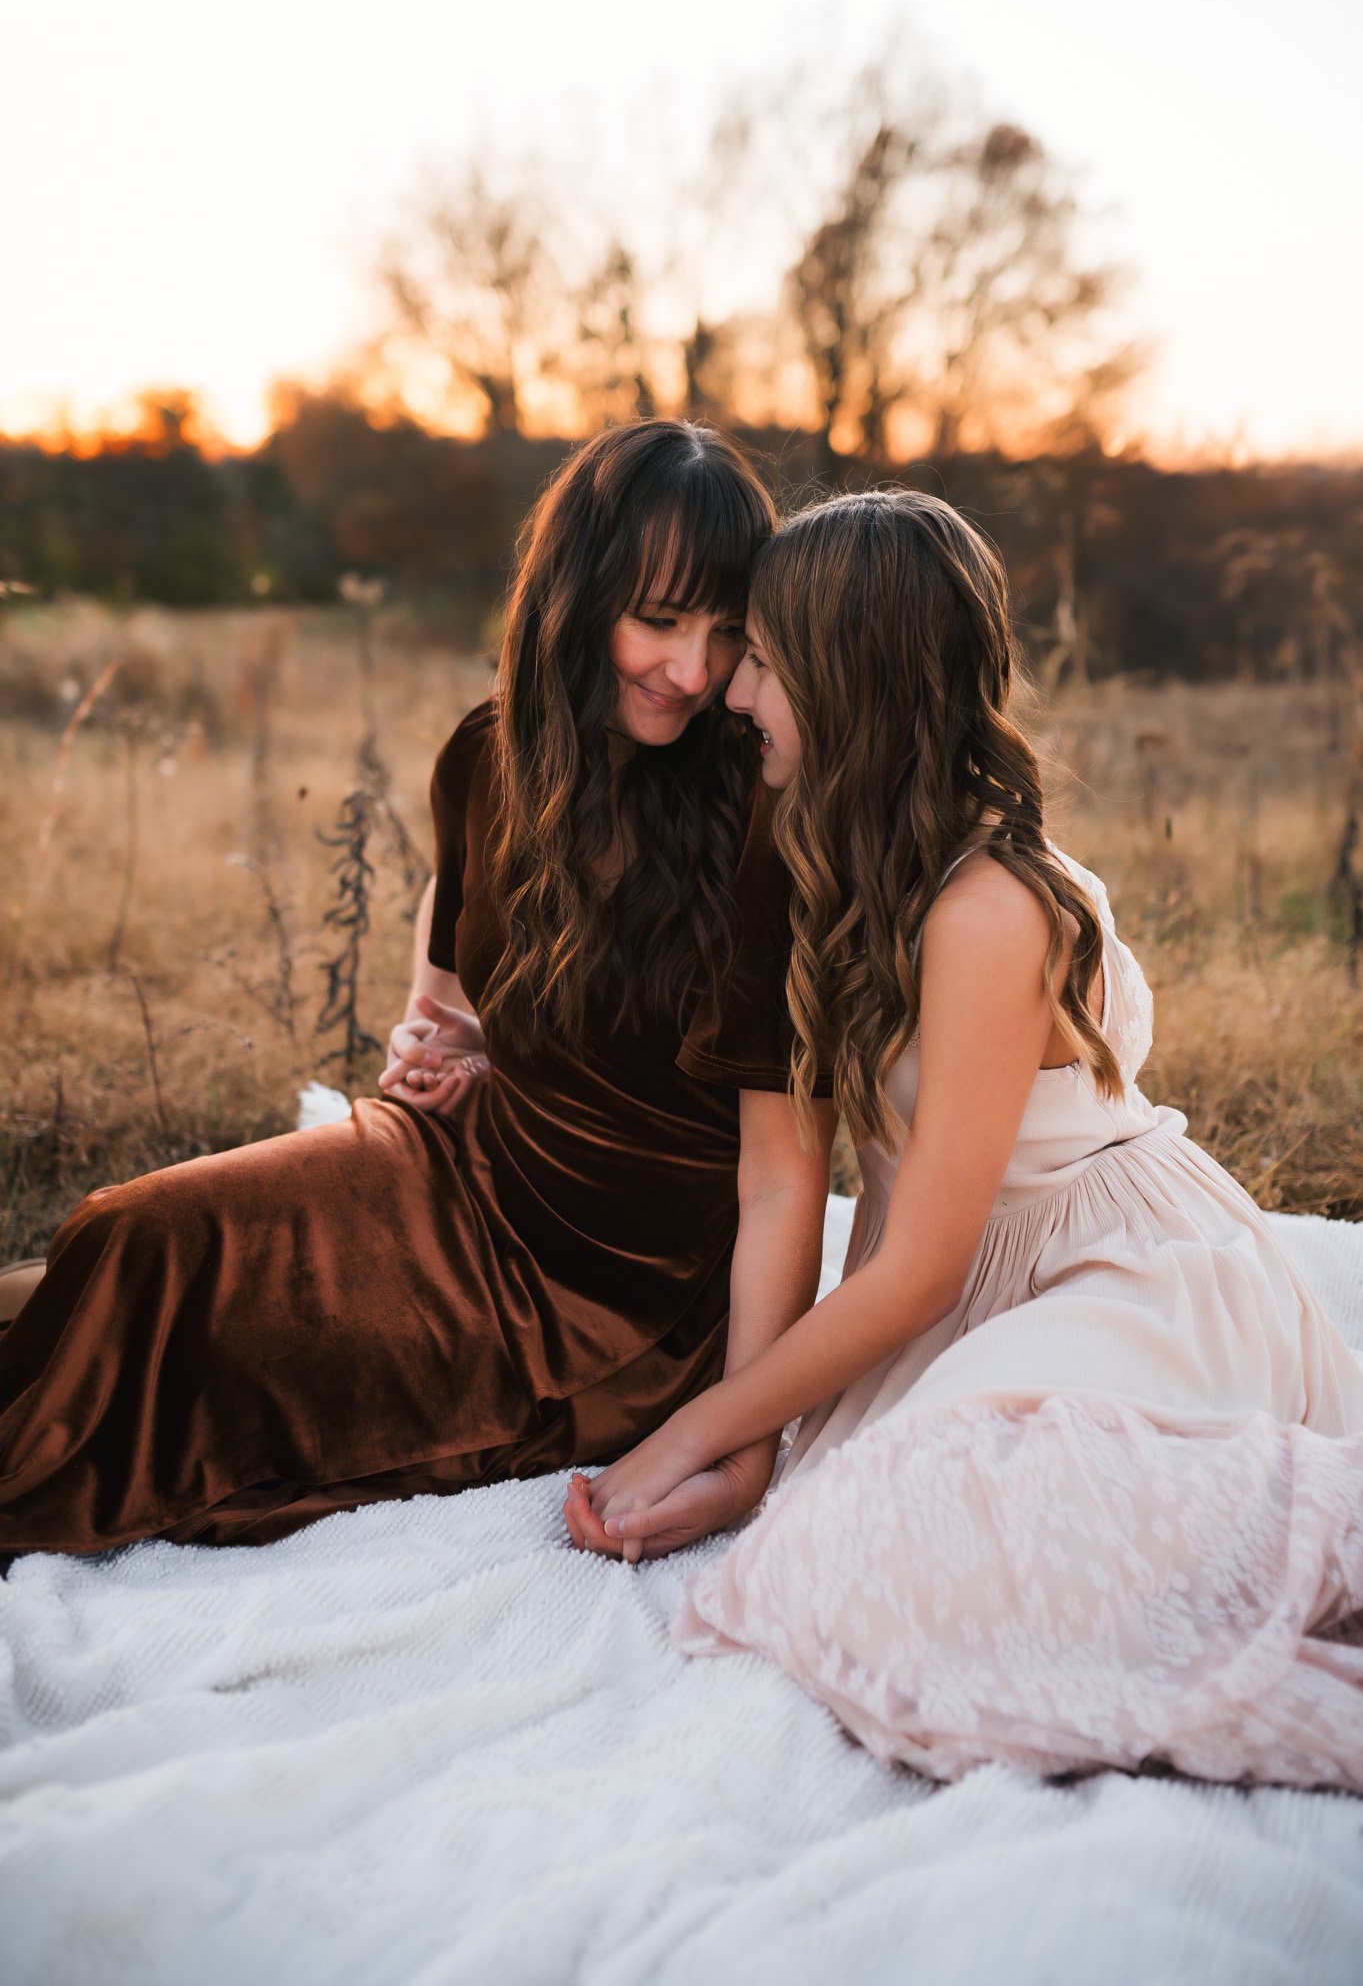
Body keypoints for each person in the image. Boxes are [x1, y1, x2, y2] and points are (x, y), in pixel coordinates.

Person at [574, 489, 1363, 1789]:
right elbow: (784, 1172)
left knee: (892, 1557)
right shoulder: (827, 864)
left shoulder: (989, 904)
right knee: (864, 1548)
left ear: (842, 682)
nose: (730, 695)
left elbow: (919, 1265)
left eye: (760, 661)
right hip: (977, 1285)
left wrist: (687, 1430)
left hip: (1120, 1277)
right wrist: (741, 1447)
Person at [0, 419, 831, 1555]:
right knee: (128, 1236)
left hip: (609, 1308)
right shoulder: (491, 755)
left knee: (179, 1374)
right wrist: (445, 1044)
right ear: (580, 595)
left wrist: (740, 1456)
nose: (692, 672)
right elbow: (444, 991)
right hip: (457, 1164)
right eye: (660, 618)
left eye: (727, 632)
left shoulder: (760, 822)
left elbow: (786, 1177)